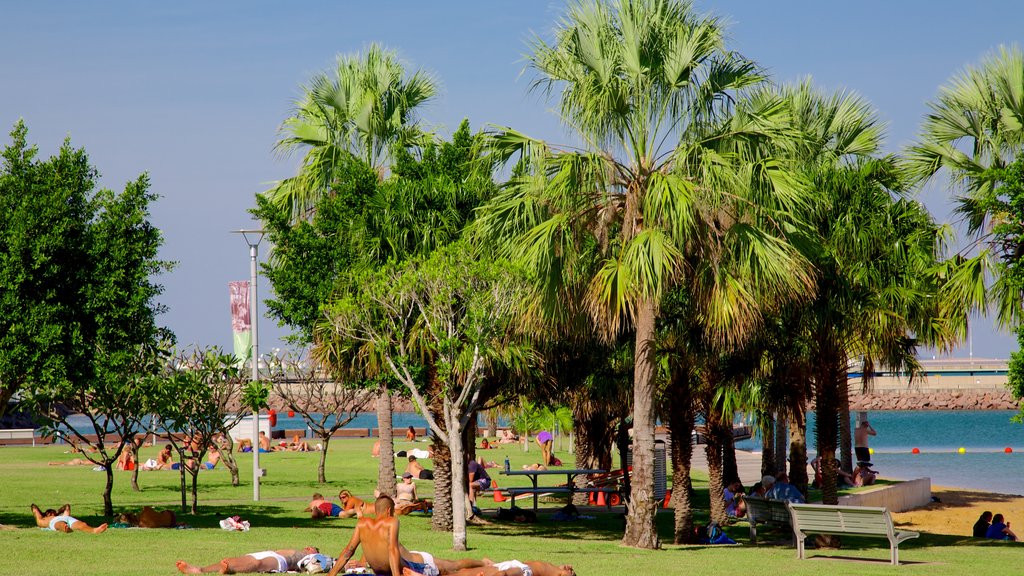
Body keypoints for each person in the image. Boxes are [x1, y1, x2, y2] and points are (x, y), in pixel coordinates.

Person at [324, 495, 483, 576]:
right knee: (453, 567)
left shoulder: (363, 523)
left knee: (453, 568)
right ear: (388, 511)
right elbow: (390, 550)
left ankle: (484, 564)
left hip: (416, 565)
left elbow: (348, 551)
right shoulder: (389, 521)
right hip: (404, 564)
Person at [176, 546, 320, 574]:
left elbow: (320, 565)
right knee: (230, 560)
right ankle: (199, 570)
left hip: (280, 561)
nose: (309, 548)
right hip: (268, 552)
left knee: (258, 564)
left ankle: (230, 570)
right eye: (308, 547)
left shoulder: (313, 557)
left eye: (313, 548)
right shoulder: (300, 550)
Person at [31, 503, 108, 533]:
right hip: (54, 522)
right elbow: (33, 507)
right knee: (60, 524)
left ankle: (94, 530)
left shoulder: (62, 515)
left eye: (52, 511)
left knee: (82, 524)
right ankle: (66, 529)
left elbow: (67, 506)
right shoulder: (42, 520)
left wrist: (57, 513)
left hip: (67, 518)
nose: (51, 513)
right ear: (46, 514)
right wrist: (44, 514)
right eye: (49, 512)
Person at [448, 560, 576, 576]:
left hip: (525, 571)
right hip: (518, 565)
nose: (570, 568)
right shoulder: (555, 568)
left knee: (503, 574)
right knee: (463, 573)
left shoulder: (561, 573)